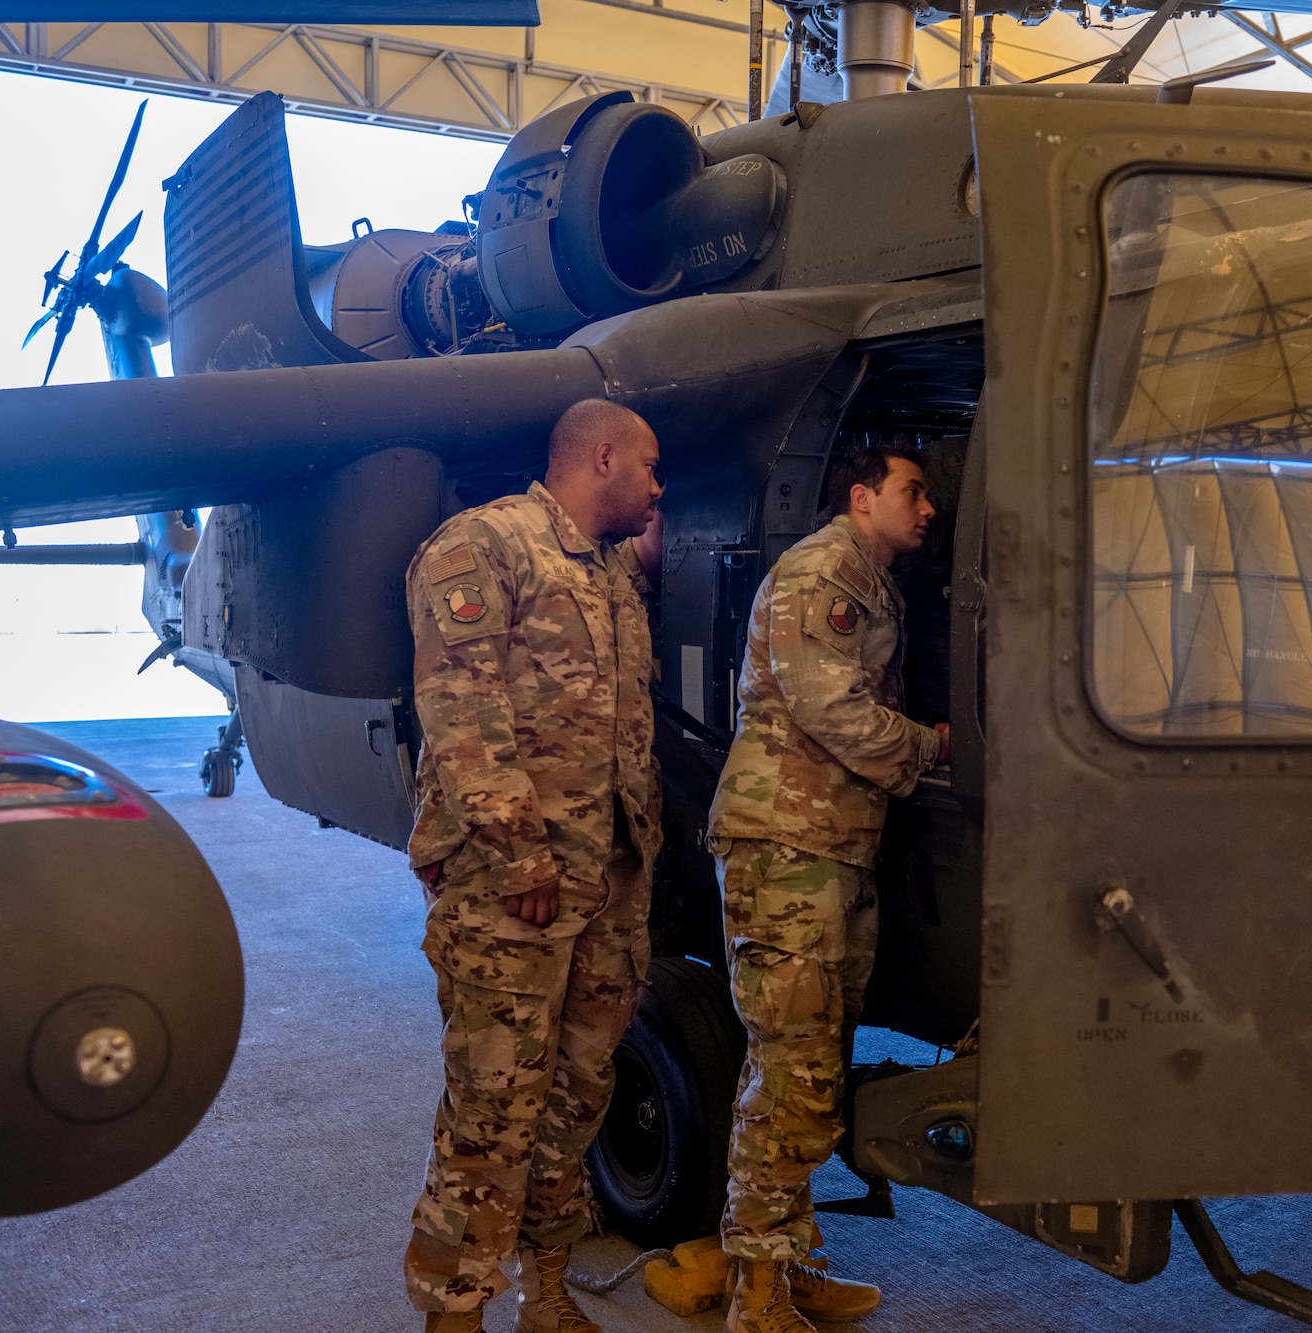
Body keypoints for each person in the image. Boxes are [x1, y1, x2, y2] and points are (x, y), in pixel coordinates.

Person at [401, 398, 667, 1333]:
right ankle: (455, 1314)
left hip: (606, 889)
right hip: (515, 891)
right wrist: (518, 855)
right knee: (492, 1111)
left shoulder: (609, 577)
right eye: (650, 467)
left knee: (576, 1099)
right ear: (603, 459)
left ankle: (547, 1294)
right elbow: (461, 713)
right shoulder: (484, 547)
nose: (658, 486)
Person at [707, 441, 951, 1333]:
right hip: (787, 846)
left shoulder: (869, 580)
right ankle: (757, 1297)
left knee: (807, 1066)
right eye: (912, 491)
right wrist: (930, 747)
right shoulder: (824, 573)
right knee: (793, 1069)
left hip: (830, 846)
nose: (927, 509)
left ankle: (780, 1259)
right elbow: (830, 708)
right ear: (861, 495)